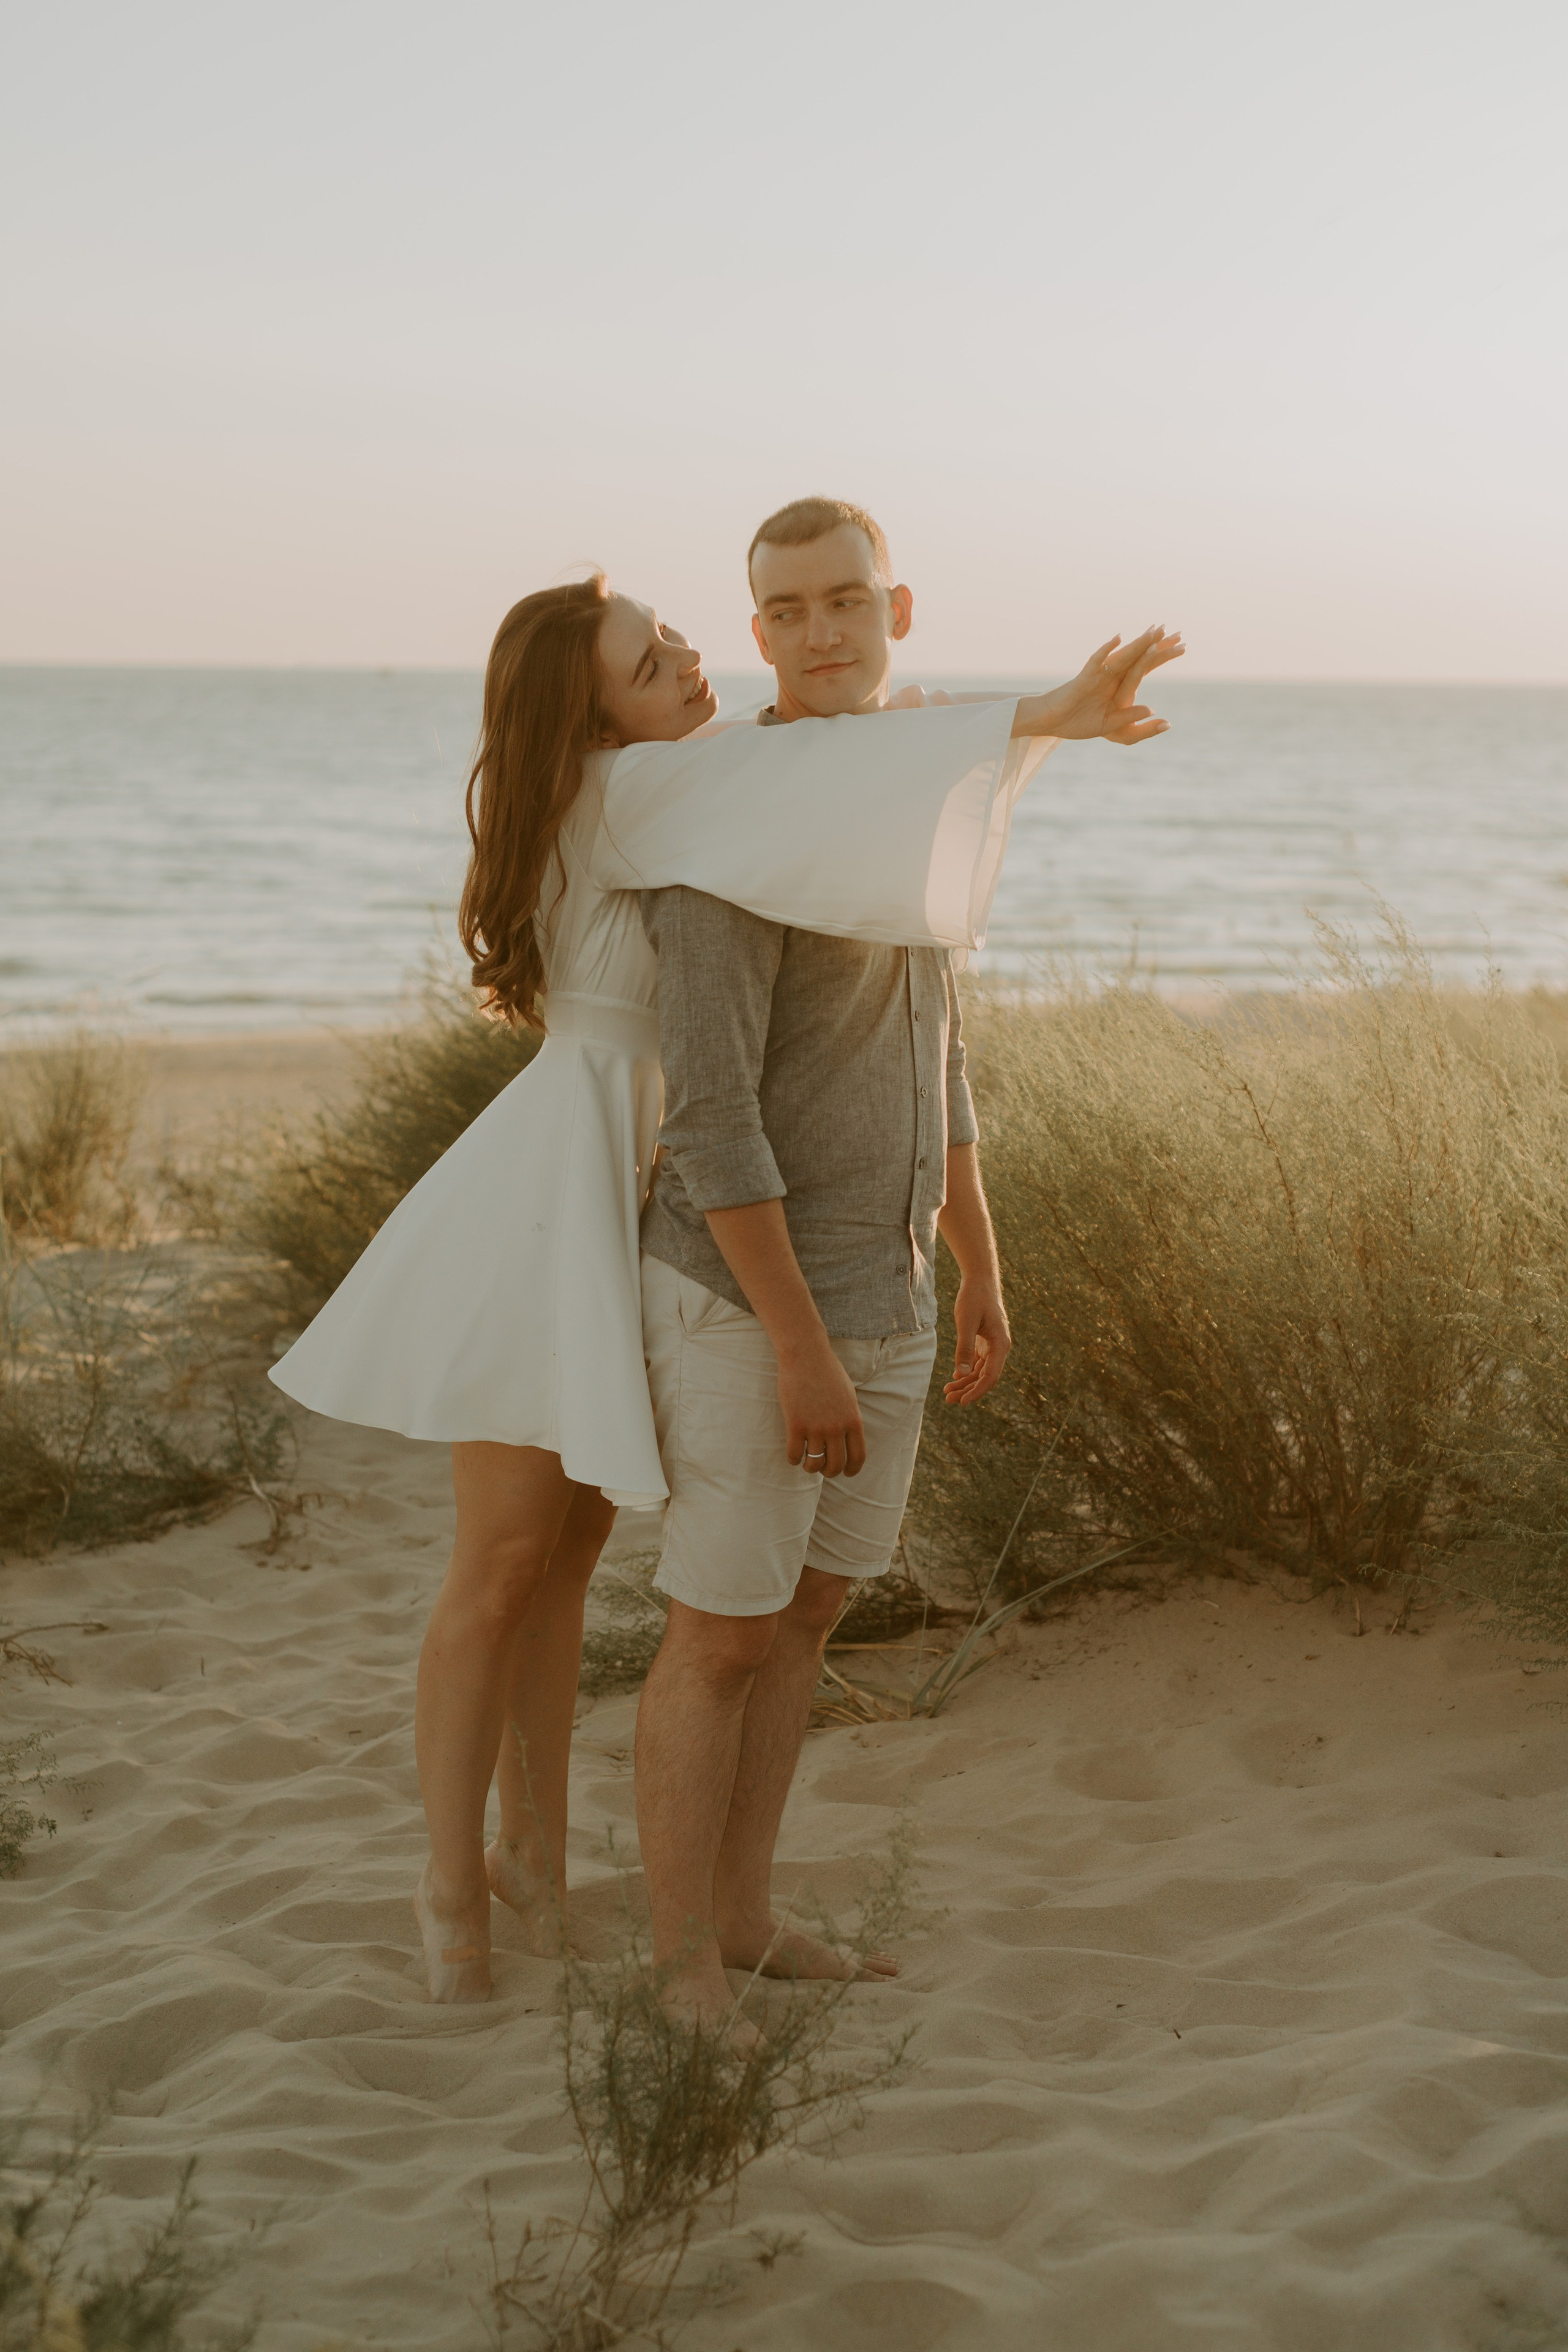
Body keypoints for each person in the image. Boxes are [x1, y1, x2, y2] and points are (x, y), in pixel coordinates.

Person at [270, 566, 1182, 2002]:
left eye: (681, 639)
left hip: (647, 1196)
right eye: (650, 661)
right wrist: (1032, 717)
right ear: (590, 713)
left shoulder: (684, 789)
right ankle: (452, 1886)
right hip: (558, 1194)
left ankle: (535, 1864)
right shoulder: (628, 795)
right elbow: (820, 770)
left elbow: (830, 771)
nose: (688, 663)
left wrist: (1011, 732)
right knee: (503, 1566)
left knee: (568, 1562)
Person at [634, 497, 1158, 2022]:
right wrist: (798, 1345)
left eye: (843, 602)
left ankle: (740, 1919)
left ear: (897, 609)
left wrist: (976, 1260)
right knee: (718, 1631)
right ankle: (677, 1967)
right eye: (785, 611)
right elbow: (714, 1120)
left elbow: (936, 1055)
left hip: (894, 1294)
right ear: (755, 636)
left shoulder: (912, 800)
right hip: (751, 1308)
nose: (818, 633)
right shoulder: (725, 822)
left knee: (801, 1619)